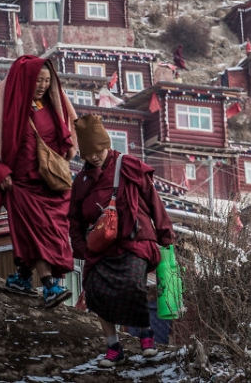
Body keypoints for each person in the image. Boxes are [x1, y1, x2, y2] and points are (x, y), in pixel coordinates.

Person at [68, 114, 175, 367]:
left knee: (131, 284)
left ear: (106, 144)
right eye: (88, 153)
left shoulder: (128, 165)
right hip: (101, 247)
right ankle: (114, 346)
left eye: (99, 150)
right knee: (96, 292)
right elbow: (74, 219)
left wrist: (165, 232)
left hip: (135, 240)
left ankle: (146, 335)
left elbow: (153, 199)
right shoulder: (81, 182)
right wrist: (80, 247)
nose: (95, 157)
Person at [0, 55, 78, 309]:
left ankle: (21, 279)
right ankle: (50, 286)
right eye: (38, 80)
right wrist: (0, 173)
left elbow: (66, 138)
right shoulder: (8, 110)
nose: (43, 86)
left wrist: (69, 149)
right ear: (26, 80)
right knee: (34, 235)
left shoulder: (53, 109)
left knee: (52, 234)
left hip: (52, 185)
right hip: (21, 184)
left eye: (47, 81)